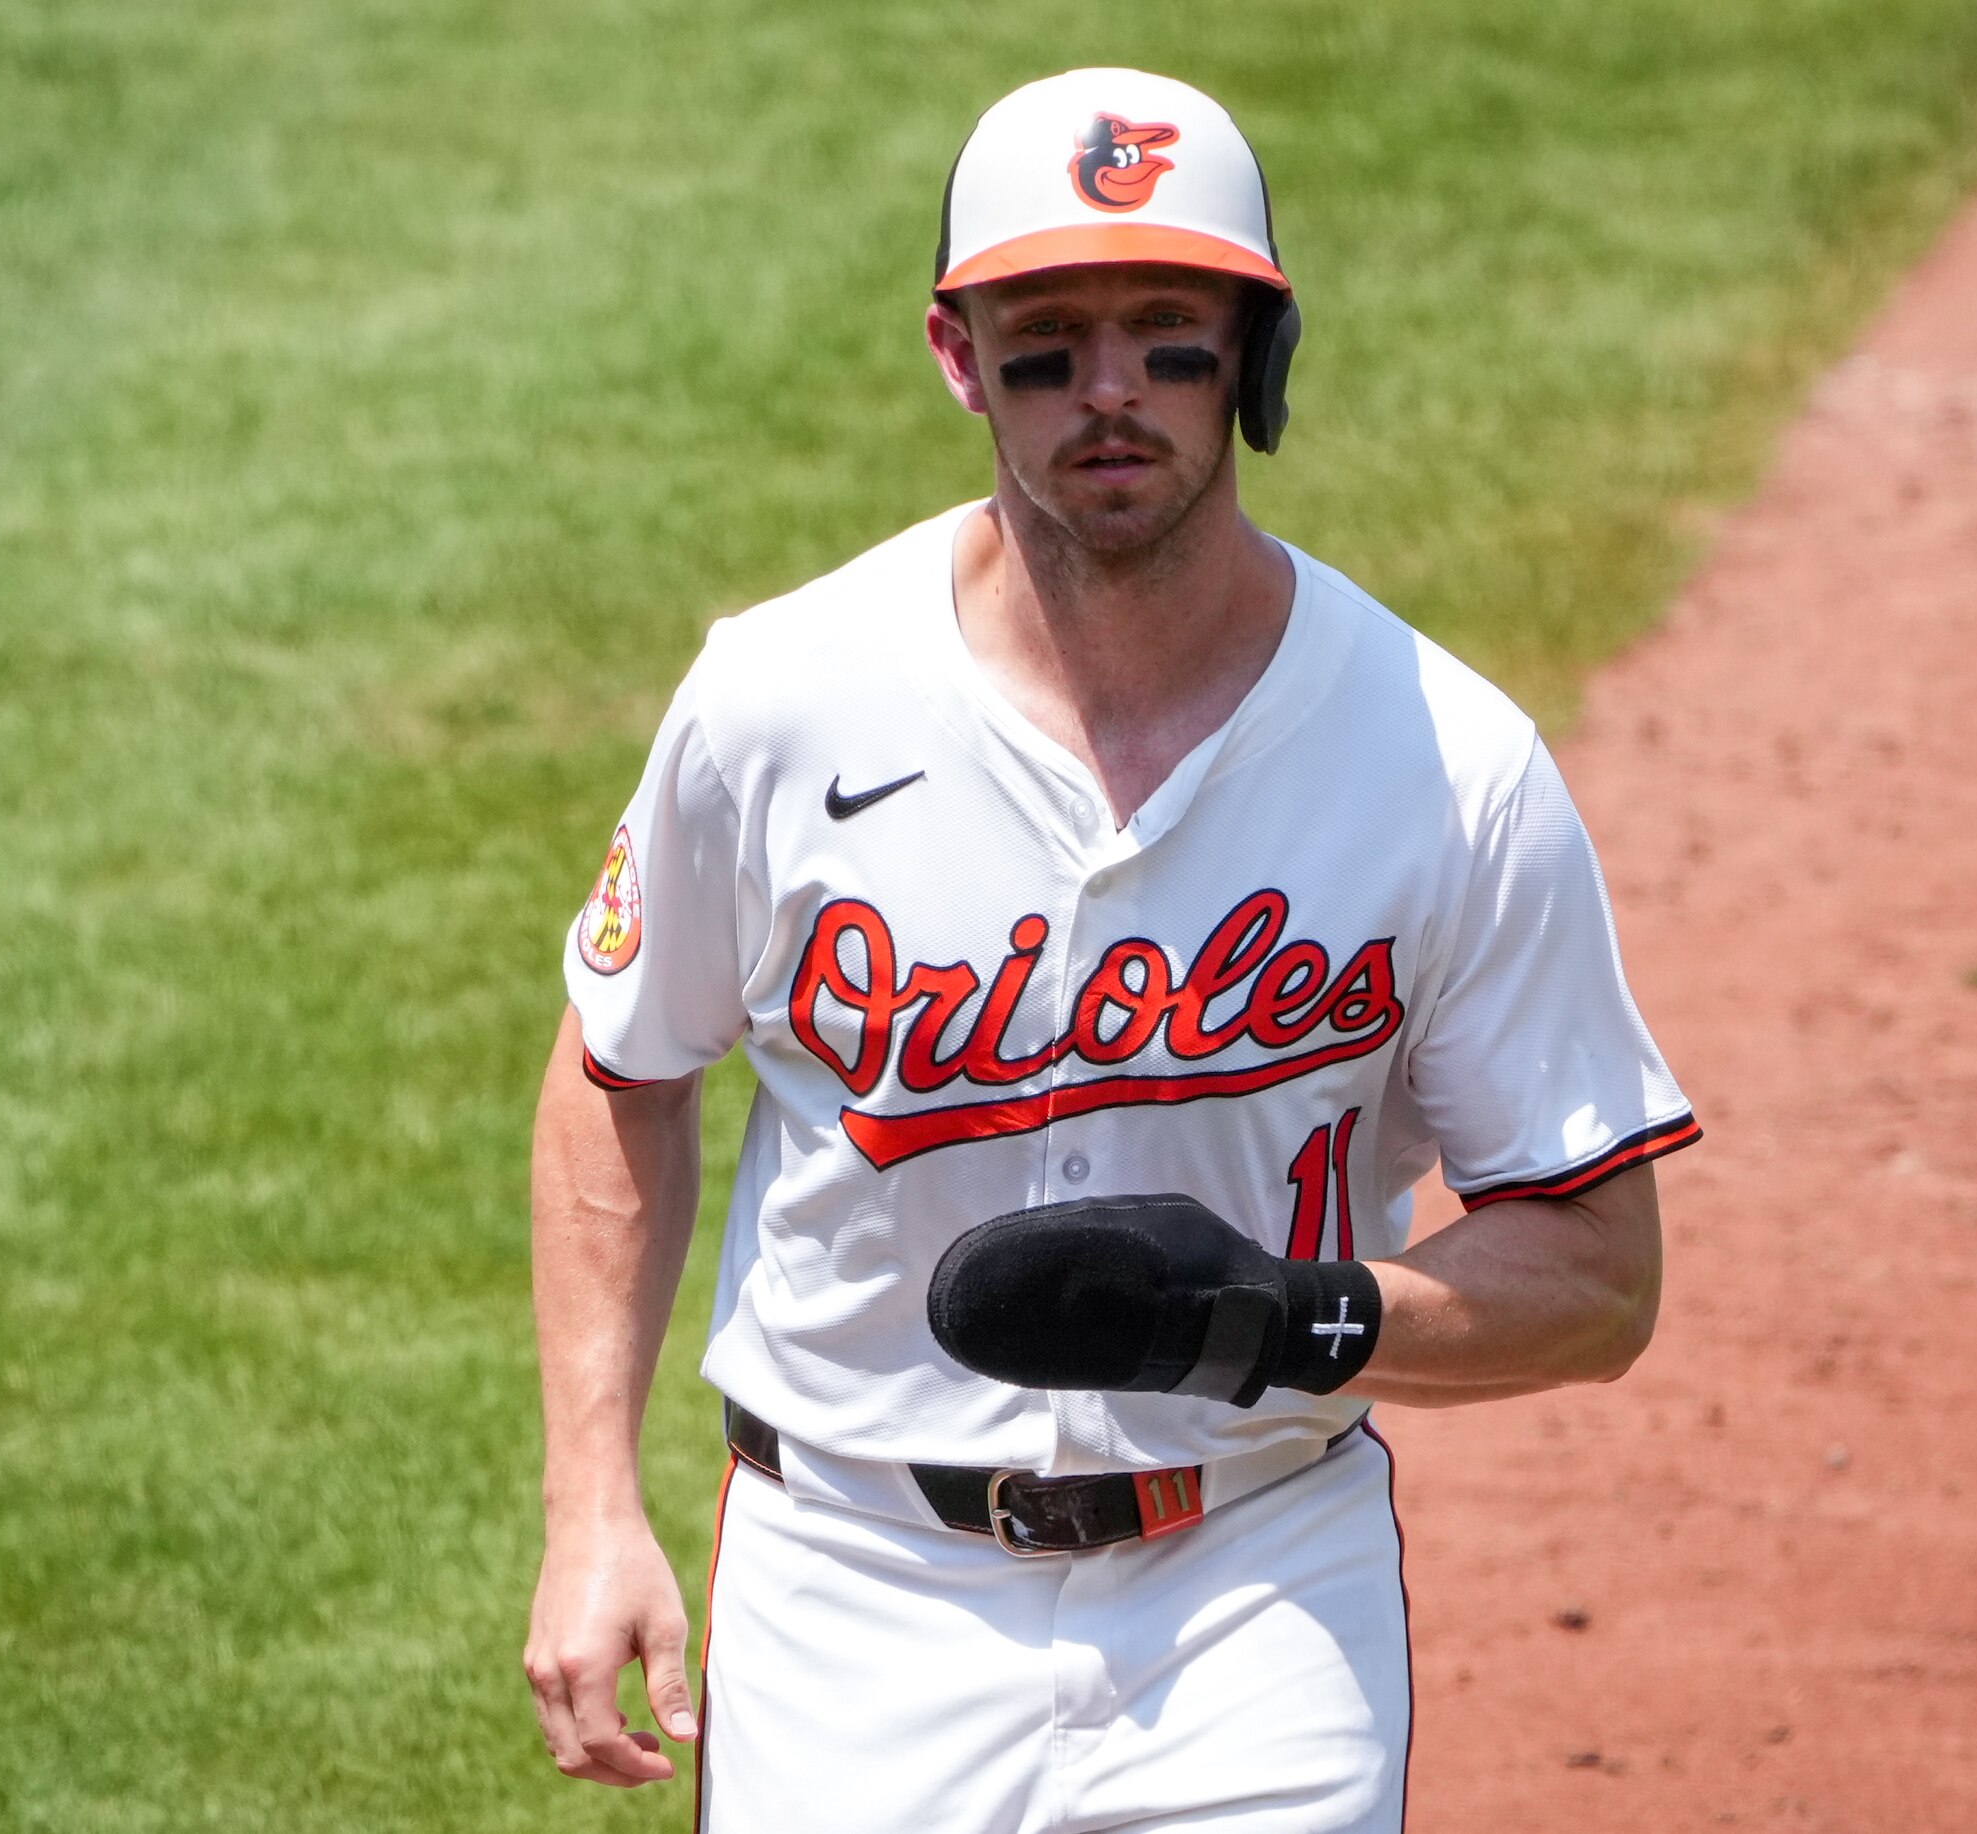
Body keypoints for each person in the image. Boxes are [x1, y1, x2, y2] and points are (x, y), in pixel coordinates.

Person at [523, 67, 1698, 1832]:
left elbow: (1602, 1274)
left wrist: (1283, 1319)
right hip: (850, 1590)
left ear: (1256, 355)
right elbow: (620, 1065)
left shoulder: (1445, 763)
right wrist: (591, 1505)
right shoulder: (779, 702)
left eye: (1168, 335)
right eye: (1048, 344)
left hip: (1253, 1593)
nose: (1111, 391)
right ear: (957, 356)